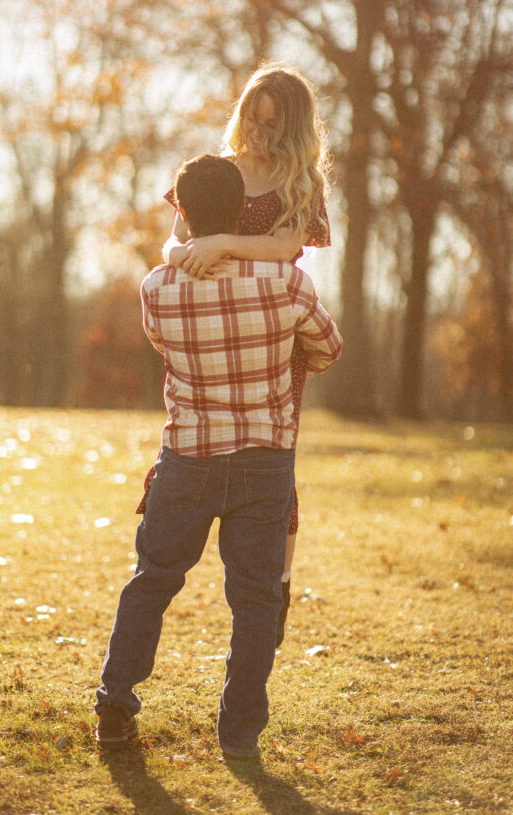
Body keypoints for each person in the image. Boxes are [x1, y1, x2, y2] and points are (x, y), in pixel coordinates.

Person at [95, 153, 342, 759]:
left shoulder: (159, 288)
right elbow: (330, 347)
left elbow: (162, 345)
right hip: (264, 456)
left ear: (180, 210)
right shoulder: (284, 282)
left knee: (152, 580)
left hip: (188, 456)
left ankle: (116, 707)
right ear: (240, 213)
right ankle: (238, 732)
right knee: (256, 597)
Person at [136, 63, 332, 645]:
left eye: (275, 123)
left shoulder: (302, 183)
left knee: (274, 453)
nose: (262, 131)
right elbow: (175, 238)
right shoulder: (215, 173)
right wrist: (180, 257)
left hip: (274, 329)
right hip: (211, 320)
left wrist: (221, 243)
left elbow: (286, 245)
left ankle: (277, 578)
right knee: (203, 433)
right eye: (254, 115)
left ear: (293, 127)